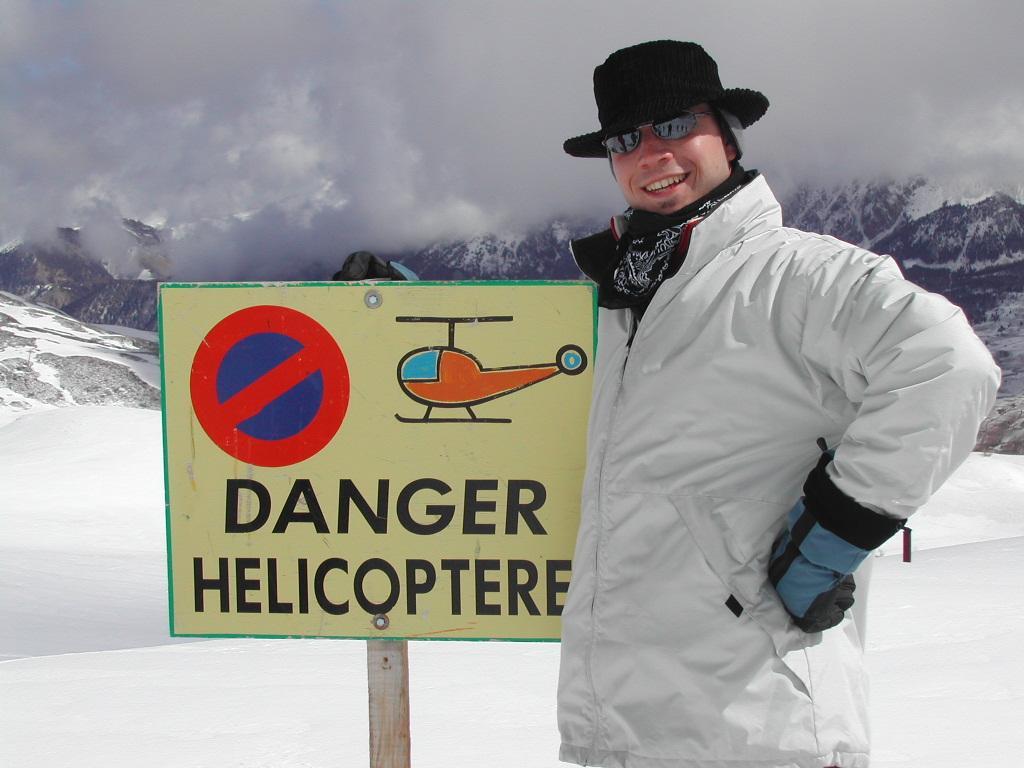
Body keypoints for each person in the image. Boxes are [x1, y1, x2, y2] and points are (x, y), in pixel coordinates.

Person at [557, 40, 1000, 768]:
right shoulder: (628, 301)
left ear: (724, 133)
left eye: (674, 125)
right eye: (626, 138)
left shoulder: (795, 273)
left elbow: (948, 367)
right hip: (623, 730)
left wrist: (829, 539)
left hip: (761, 727)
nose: (652, 153)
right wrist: (385, 312)